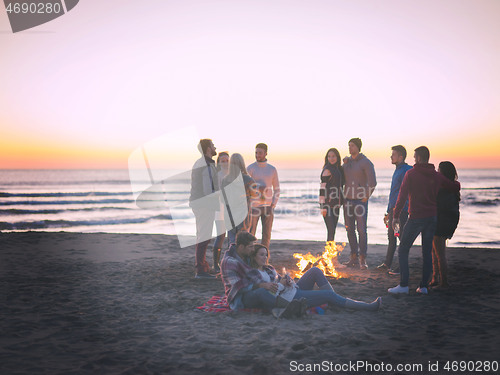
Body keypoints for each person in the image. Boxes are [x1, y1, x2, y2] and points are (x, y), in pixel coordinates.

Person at [388, 147, 460, 295]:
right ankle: (424, 287)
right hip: (431, 218)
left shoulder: (411, 174)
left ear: (419, 158)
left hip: (415, 218)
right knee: (427, 252)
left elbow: (401, 197)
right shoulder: (436, 175)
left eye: (415, 157)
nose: (414, 159)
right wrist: (457, 185)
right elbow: (454, 185)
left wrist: (395, 216)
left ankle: (403, 285)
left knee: (403, 249)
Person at [245, 244, 382, 314]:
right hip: (289, 299)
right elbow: (270, 295)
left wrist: (288, 280)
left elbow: (280, 280)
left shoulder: (269, 269)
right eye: (261, 255)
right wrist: (281, 285)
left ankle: (335, 300)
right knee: (328, 294)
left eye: (266, 254)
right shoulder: (255, 274)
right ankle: (367, 307)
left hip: (292, 290)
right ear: (254, 256)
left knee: (315, 270)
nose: (264, 257)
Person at [342, 138, 377, 270]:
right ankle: (353, 258)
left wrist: (366, 196)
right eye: (349, 145)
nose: (350, 148)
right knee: (349, 229)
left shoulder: (366, 162)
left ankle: (363, 259)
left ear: (358, 147)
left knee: (361, 230)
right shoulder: (347, 163)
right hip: (347, 201)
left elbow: (373, 182)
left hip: (359, 202)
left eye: (352, 146)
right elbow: (341, 177)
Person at [377, 145, 412, 274]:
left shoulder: (406, 170)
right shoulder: (397, 170)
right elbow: (394, 193)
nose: (391, 156)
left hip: (401, 211)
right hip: (393, 210)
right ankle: (387, 264)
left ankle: (402, 266)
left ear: (401, 157)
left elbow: (408, 191)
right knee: (393, 236)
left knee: (400, 237)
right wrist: (388, 211)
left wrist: (404, 206)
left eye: (394, 154)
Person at [189, 139, 219, 279]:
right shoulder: (206, 165)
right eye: (213, 145)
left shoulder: (201, 163)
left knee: (202, 234)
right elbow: (208, 191)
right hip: (204, 205)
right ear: (208, 148)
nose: (215, 147)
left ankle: (202, 266)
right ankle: (200, 270)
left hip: (198, 203)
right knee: (204, 236)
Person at [430, 162, 460, 289]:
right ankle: (435, 278)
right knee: (435, 251)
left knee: (439, 253)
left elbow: (439, 205)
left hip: (441, 222)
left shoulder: (444, 189)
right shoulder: (453, 187)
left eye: (439, 170)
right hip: (446, 222)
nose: (437, 172)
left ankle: (444, 282)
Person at [247, 143, 280, 251]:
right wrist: (258, 187)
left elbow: (277, 189)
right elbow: (246, 187)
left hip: (268, 206)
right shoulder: (250, 168)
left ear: (266, 153)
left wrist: (273, 205)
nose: (257, 155)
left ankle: (264, 259)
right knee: (251, 235)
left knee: (266, 235)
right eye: (256, 153)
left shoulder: (272, 169)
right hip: (254, 206)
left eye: (260, 153)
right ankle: (250, 258)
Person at [221, 153, 258, 247]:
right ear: (242, 164)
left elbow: (222, 199)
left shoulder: (225, 180)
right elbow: (255, 195)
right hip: (244, 217)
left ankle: (232, 260)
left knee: (232, 243)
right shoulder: (248, 179)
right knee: (245, 243)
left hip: (230, 216)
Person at [319, 148, 344, 242]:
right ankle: (329, 253)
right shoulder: (327, 170)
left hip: (336, 205)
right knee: (331, 230)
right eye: (329, 156)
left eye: (333, 156)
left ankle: (330, 252)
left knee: (333, 231)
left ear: (337, 157)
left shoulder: (338, 170)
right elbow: (322, 189)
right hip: (328, 206)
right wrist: (323, 207)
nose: (331, 158)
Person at [212, 151, 229, 273]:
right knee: (221, 235)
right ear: (219, 162)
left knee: (233, 236)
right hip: (220, 208)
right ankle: (216, 263)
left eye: (227, 161)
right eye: (223, 161)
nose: (225, 163)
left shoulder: (233, 174)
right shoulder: (217, 175)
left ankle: (230, 262)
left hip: (232, 208)